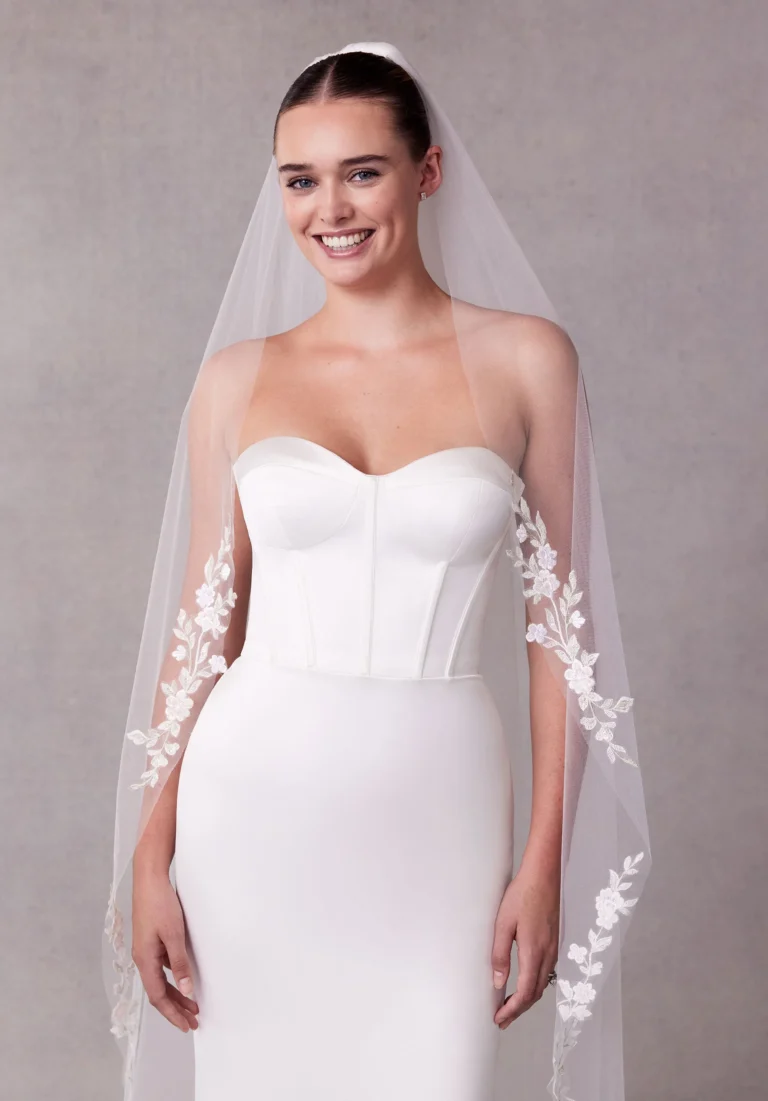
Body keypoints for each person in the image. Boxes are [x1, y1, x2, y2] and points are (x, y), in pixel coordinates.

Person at [104, 42, 650, 1101]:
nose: (331, 210)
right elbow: (201, 634)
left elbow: (561, 636)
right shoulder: (235, 380)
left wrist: (543, 861)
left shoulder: (529, 360)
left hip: (438, 810)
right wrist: (149, 856)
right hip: (249, 808)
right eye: (300, 180)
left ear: (427, 172)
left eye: (362, 172)